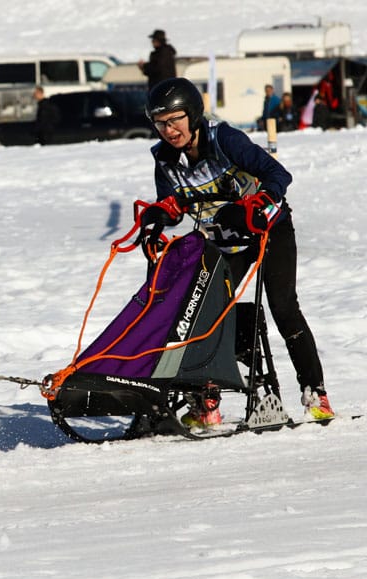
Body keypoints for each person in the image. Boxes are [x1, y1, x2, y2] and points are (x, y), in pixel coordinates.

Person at [136, 77, 333, 426]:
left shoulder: (223, 138)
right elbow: (173, 204)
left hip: (268, 230)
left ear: (193, 114)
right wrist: (156, 220)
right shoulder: (164, 158)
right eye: (161, 123)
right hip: (223, 240)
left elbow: (278, 174)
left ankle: (315, 392)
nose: (169, 129)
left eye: (175, 119)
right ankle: (207, 402)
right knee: (203, 314)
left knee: (283, 307)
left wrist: (261, 202)